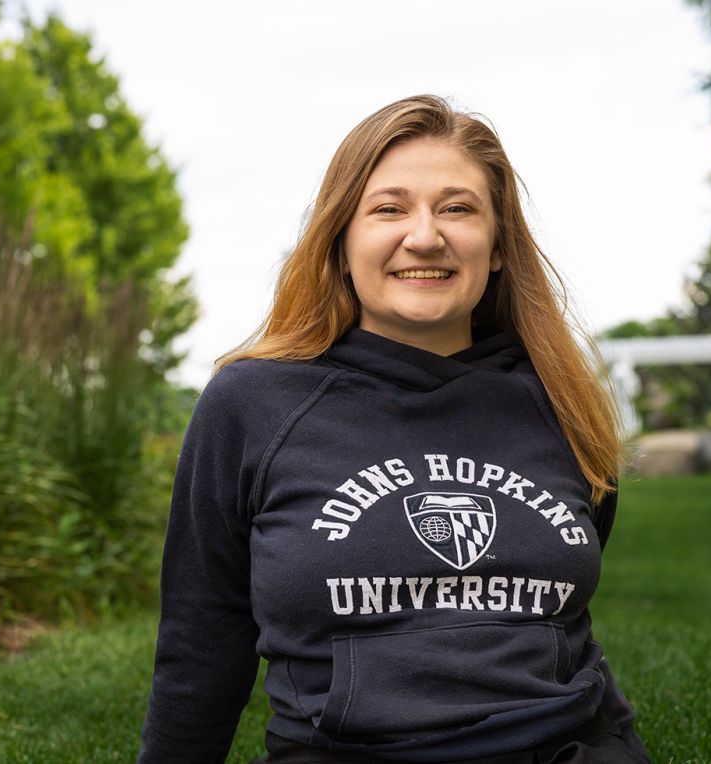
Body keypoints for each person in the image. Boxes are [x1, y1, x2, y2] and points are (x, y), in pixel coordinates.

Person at [137, 94, 651, 764]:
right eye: (389, 208)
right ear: (340, 240)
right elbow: (203, 638)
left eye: (457, 207)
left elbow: (566, 614)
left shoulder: (560, 397)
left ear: (497, 247)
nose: (426, 235)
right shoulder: (254, 401)